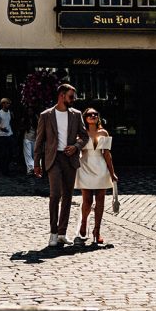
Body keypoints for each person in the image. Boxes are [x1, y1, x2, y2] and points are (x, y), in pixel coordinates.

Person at [33, 84, 90, 247]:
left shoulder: (76, 114)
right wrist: (36, 163)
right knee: (55, 194)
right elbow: (39, 141)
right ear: (61, 96)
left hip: (70, 159)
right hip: (53, 159)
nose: (74, 100)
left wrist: (76, 147)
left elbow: (84, 137)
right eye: (71, 97)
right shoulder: (46, 115)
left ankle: (62, 233)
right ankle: (53, 232)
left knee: (68, 196)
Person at [74, 108, 117, 245]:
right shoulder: (81, 133)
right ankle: (84, 221)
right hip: (85, 167)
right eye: (89, 114)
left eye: (95, 114)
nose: (93, 116)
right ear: (85, 117)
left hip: (101, 168)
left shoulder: (103, 132)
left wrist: (112, 172)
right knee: (87, 200)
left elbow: (107, 154)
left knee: (100, 200)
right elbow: (75, 150)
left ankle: (97, 231)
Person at [0, 98, 16, 176]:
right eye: (7, 103)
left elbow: (11, 122)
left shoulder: (10, 112)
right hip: (1, 136)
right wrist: (1, 128)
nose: (9, 105)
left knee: (11, 153)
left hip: (9, 135)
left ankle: (5, 167)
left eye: (9, 103)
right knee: (3, 154)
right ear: (3, 104)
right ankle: (4, 169)